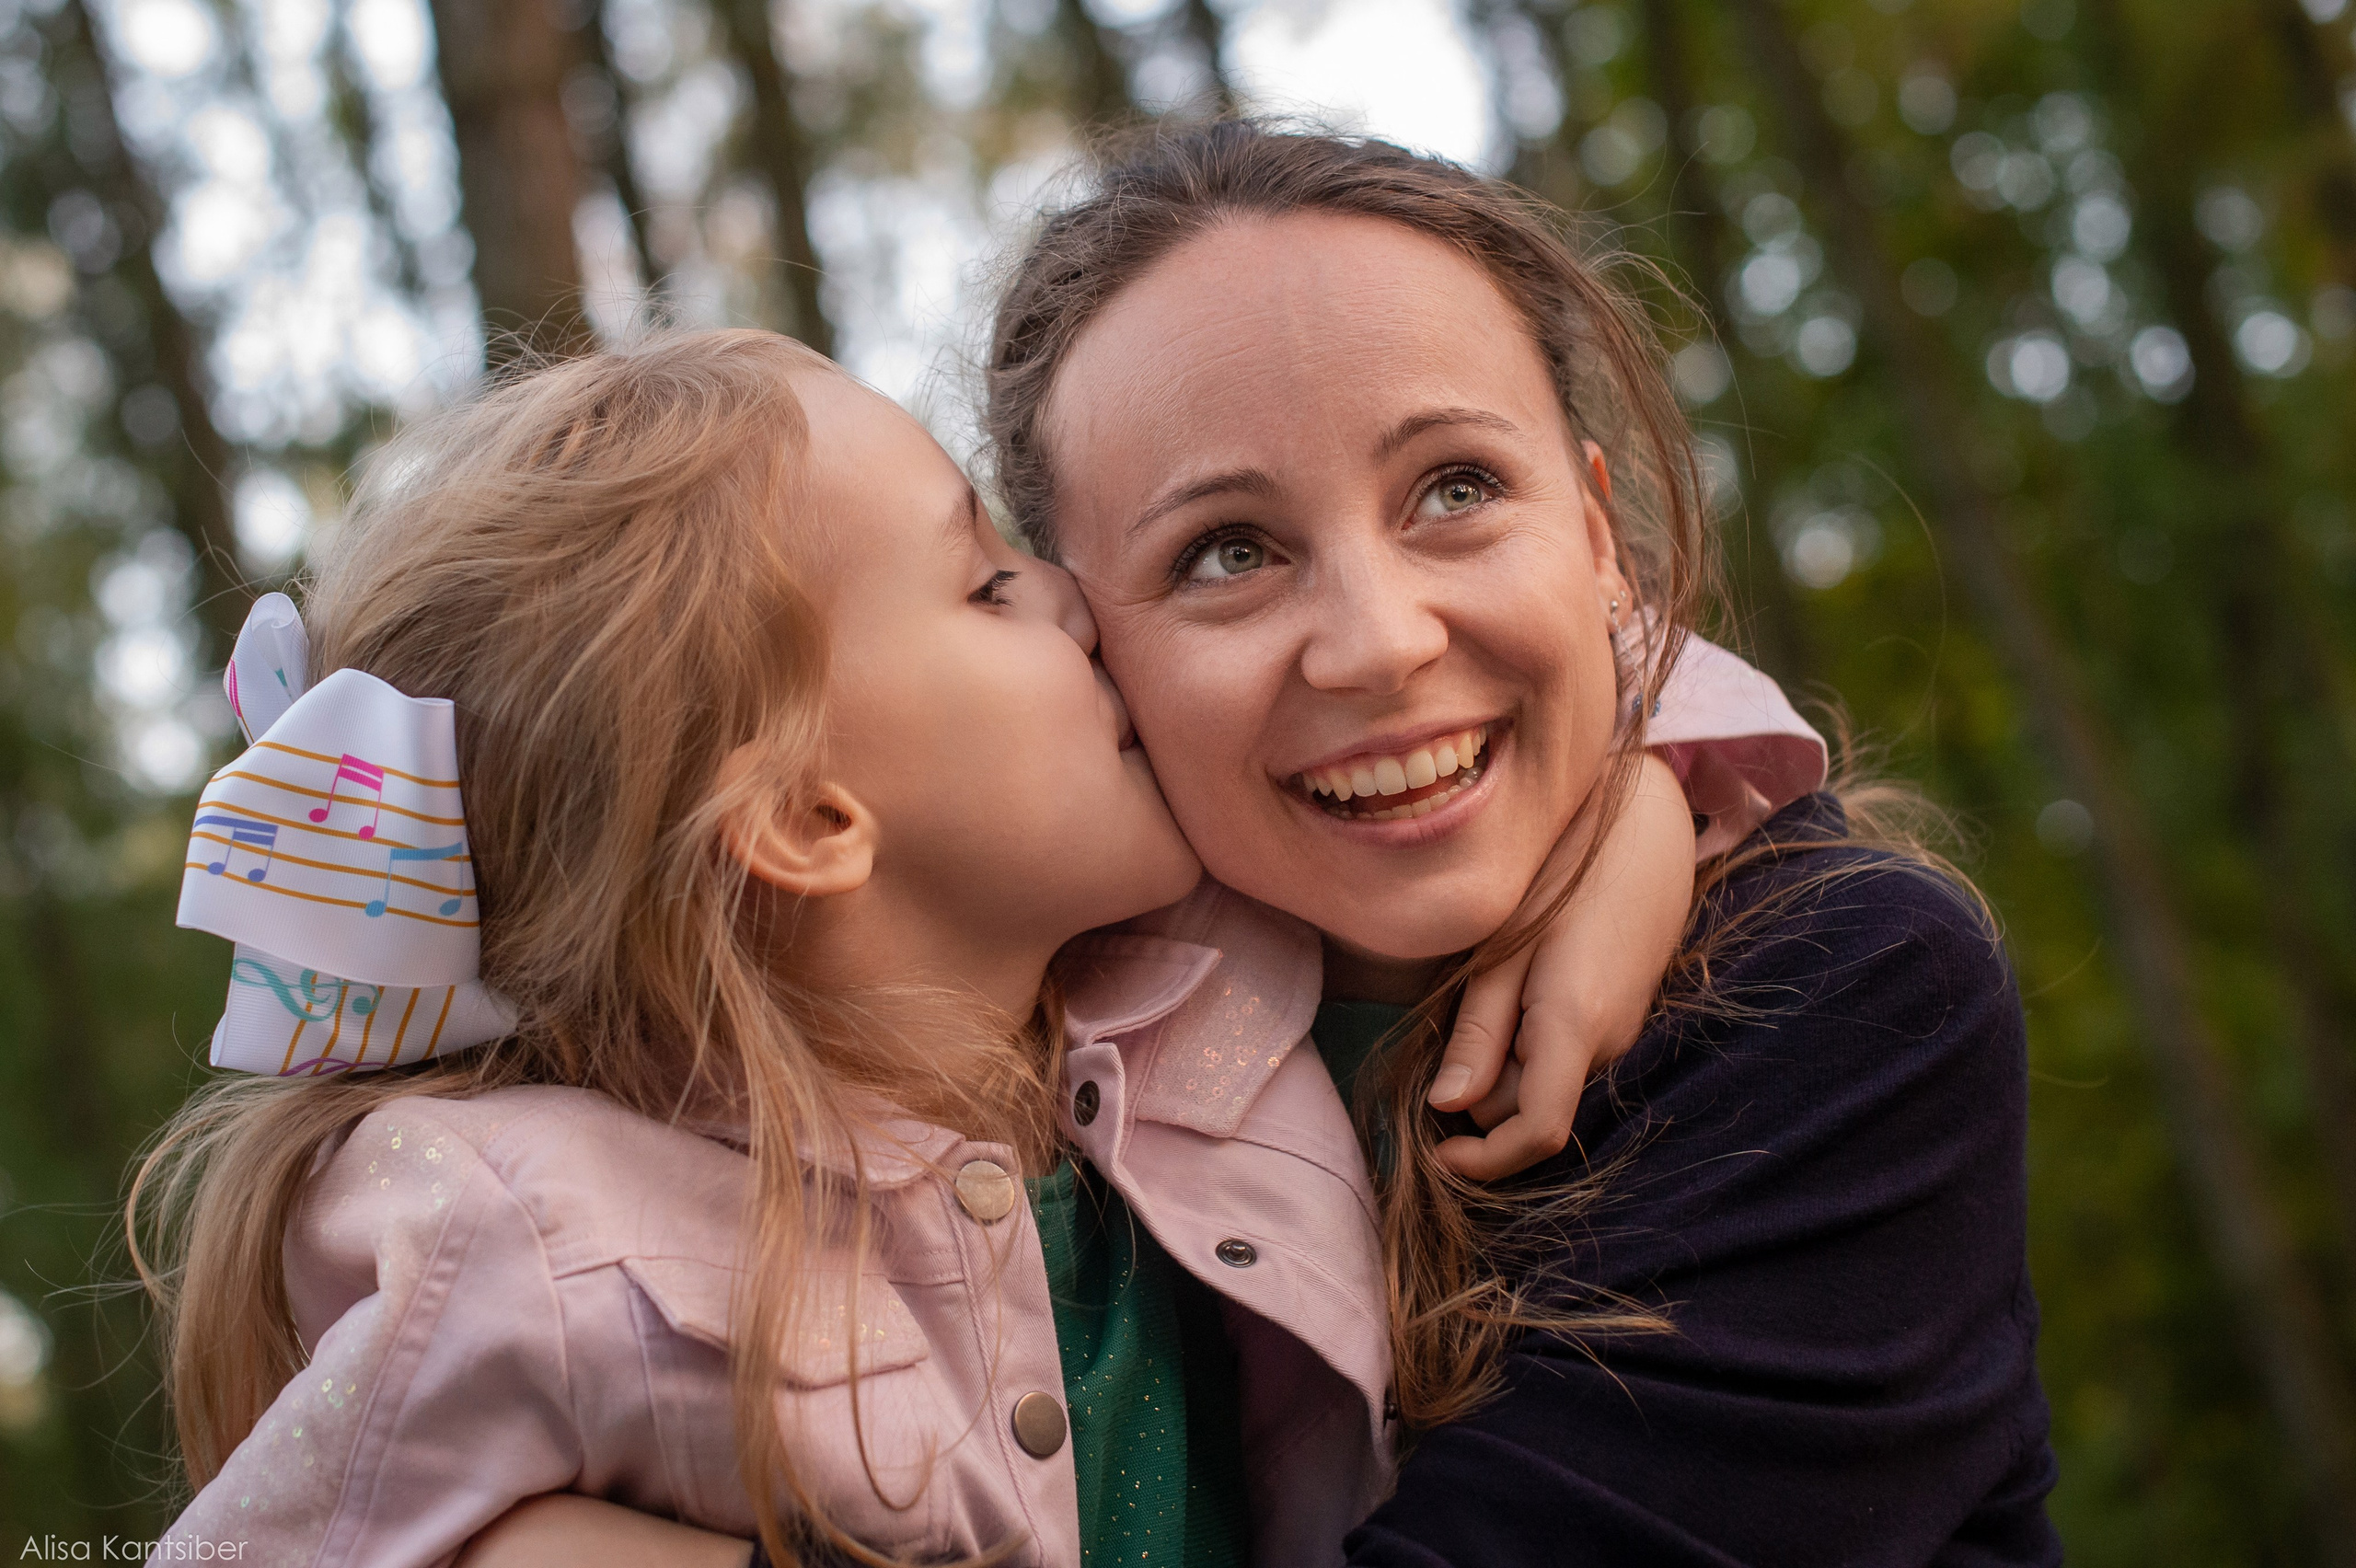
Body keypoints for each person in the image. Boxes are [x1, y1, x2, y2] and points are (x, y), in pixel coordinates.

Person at [134, 327, 1810, 1568]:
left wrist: (1638, 822)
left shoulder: (1174, 975)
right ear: (805, 817)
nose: (1078, 600)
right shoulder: (531, 1232)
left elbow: (1517, 683)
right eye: (988, 587)